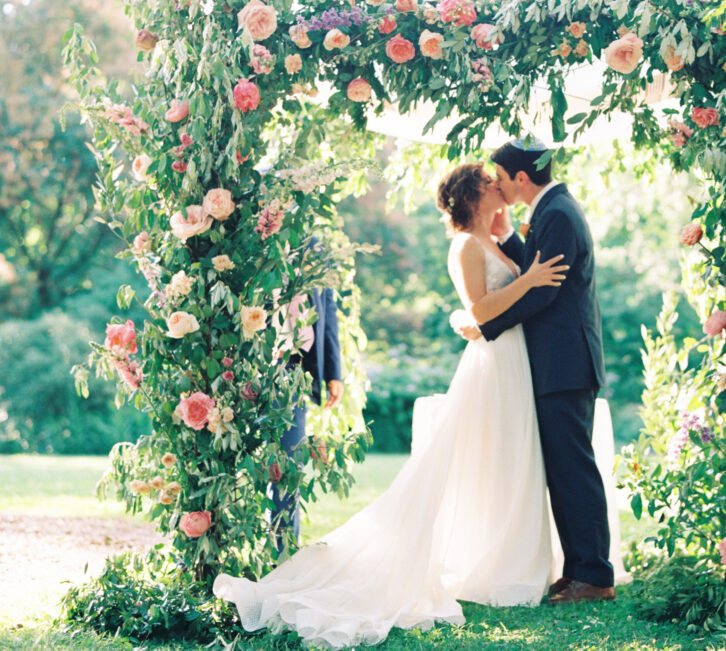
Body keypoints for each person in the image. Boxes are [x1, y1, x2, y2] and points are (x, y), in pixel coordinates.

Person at [214, 163, 569, 647]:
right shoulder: (465, 245)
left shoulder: (491, 239)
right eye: (488, 182)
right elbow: (481, 310)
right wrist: (529, 280)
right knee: (489, 458)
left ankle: (503, 561)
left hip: (511, 360)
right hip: (492, 362)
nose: (498, 185)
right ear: (470, 196)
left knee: (508, 461)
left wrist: (515, 253)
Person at [452, 136, 614, 604]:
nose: (499, 187)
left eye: (501, 178)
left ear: (521, 177)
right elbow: (533, 274)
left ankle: (595, 576)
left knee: (574, 470)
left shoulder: (558, 214)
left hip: (565, 362)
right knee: (562, 471)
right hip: (556, 362)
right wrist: (507, 238)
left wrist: (487, 325)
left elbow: (544, 291)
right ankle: (579, 568)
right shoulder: (552, 210)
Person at [271, 284, 344, 553]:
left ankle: (283, 555)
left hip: (295, 366)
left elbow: (327, 309)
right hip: (248, 363)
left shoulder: (314, 244)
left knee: (287, 468)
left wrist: (333, 371)